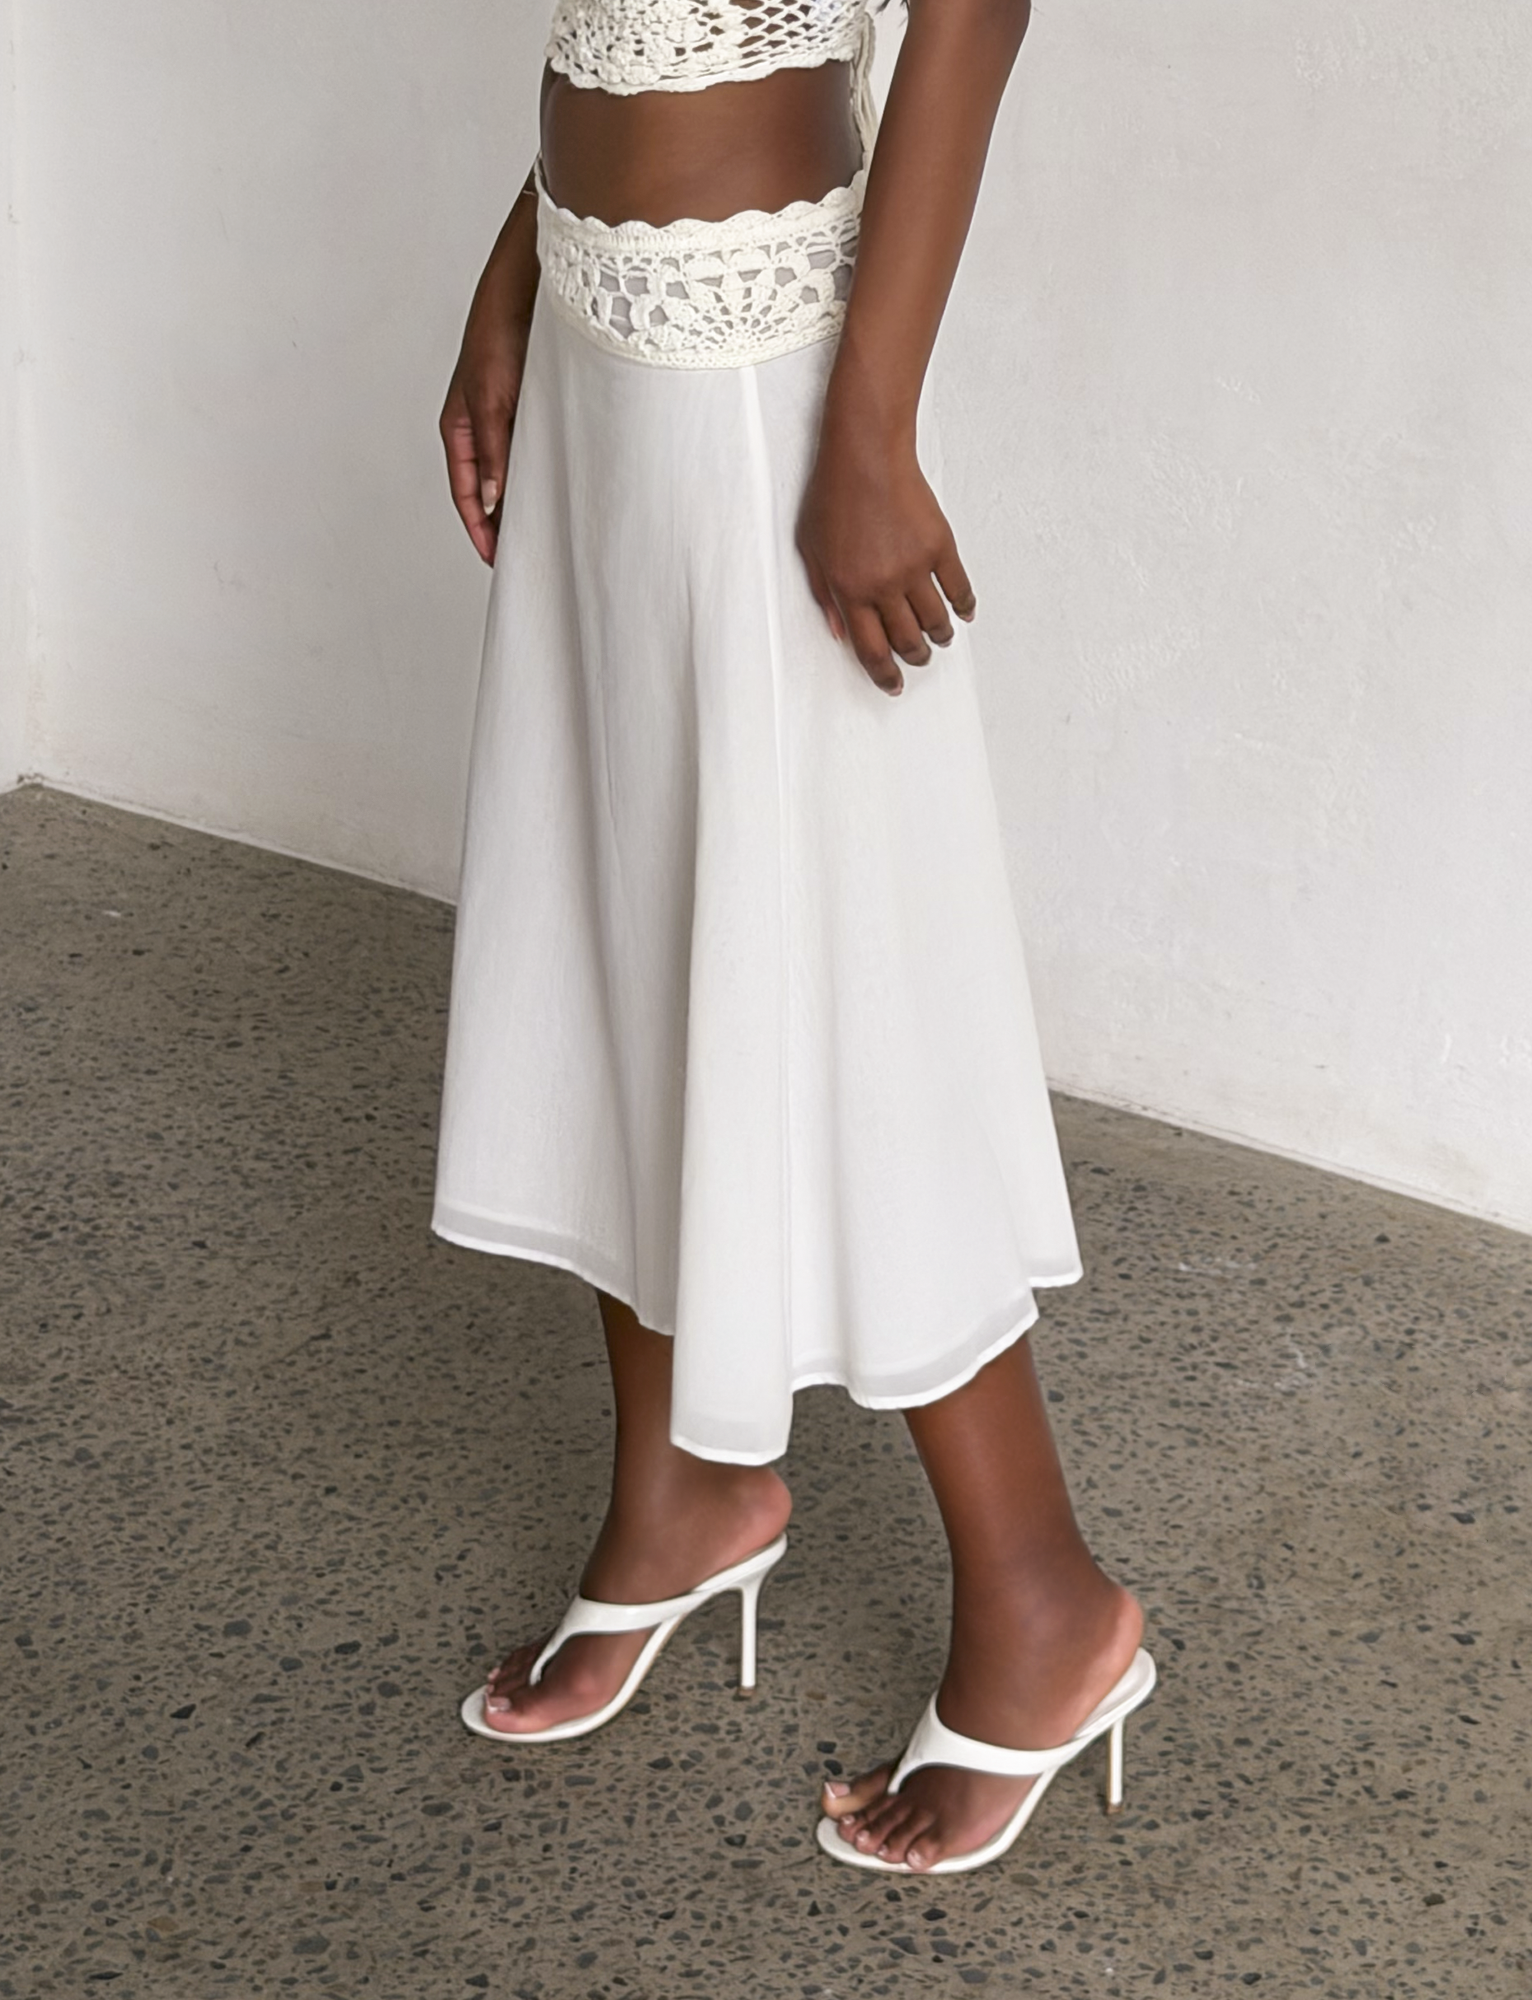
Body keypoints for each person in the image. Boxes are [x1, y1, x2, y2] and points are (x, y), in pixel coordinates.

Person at [430, 0, 1153, 1877]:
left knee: (845, 987)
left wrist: (872, 427)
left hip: (769, 374)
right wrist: (516, 268)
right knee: (620, 922)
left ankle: (1042, 1604)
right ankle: (677, 1496)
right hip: (605, 337)